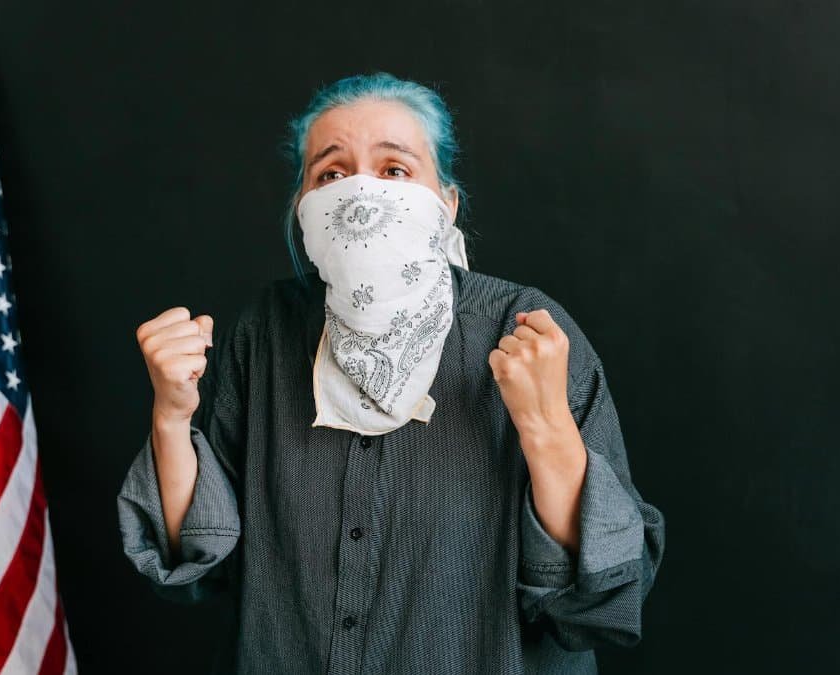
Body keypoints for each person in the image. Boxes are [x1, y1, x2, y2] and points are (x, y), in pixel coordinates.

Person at [117, 72, 666, 674]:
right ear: (304, 208)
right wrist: (171, 415)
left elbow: (604, 600)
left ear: (446, 204)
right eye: (331, 174)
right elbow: (201, 563)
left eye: (394, 170)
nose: (359, 195)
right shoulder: (266, 332)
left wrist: (545, 429)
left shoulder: (526, 330)